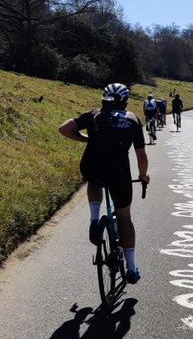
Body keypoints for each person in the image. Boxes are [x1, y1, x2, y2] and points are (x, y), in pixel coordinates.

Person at [58, 82, 149, 284]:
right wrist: (143, 176)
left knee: (94, 180)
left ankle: (93, 219)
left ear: (103, 98)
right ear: (125, 102)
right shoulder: (132, 120)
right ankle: (131, 269)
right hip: (119, 172)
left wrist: (87, 139)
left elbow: (64, 128)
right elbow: (141, 157)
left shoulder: (93, 115)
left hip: (93, 166)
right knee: (124, 217)